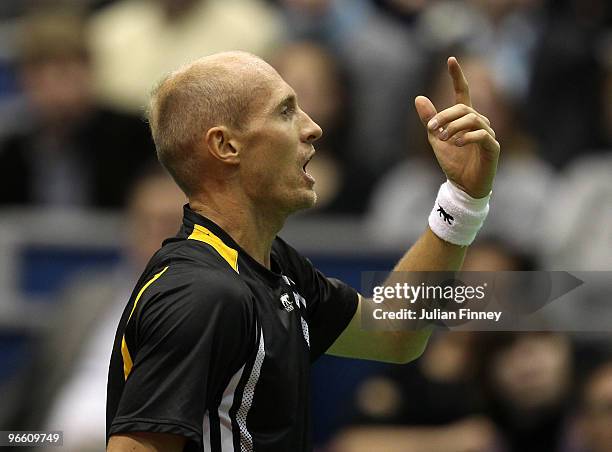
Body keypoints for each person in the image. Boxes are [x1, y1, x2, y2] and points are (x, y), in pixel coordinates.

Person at [106, 51, 500, 452]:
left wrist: (461, 200)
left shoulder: (273, 265)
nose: (313, 128)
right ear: (225, 145)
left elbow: (394, 334)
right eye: (285, 112)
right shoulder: (201, 294)